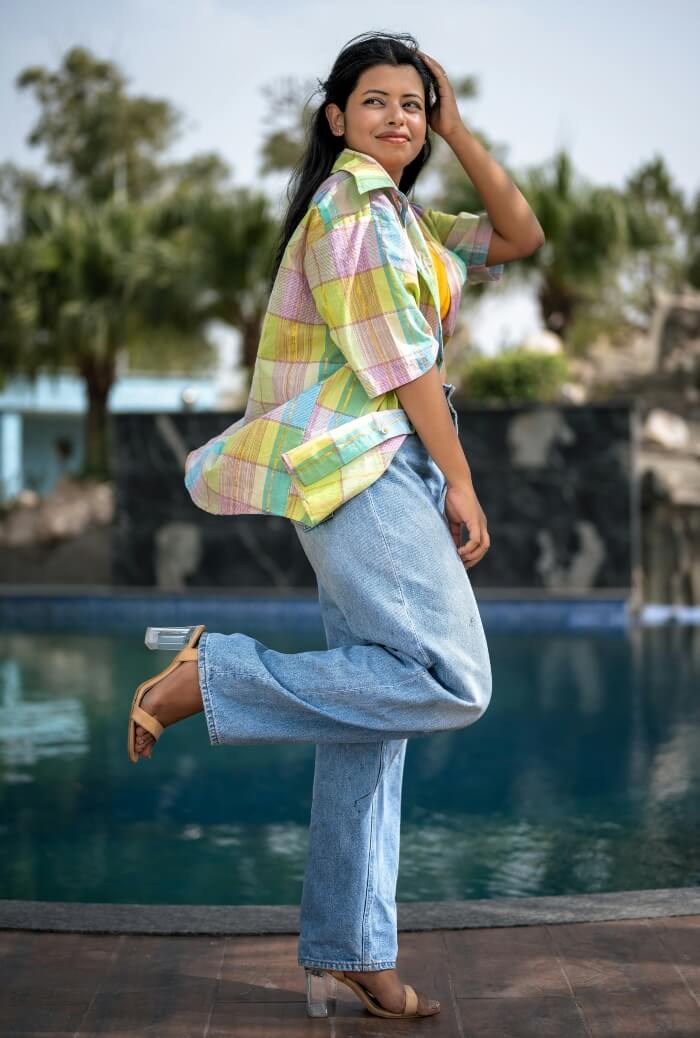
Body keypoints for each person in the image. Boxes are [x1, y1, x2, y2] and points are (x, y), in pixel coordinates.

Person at [127, 30, 545, 1021]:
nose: (398, 116)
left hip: (370, 469)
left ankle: (350, 948)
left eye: (414, 102)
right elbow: (402, 369)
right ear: (336, 118)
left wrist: (462, 128)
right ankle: (214, 674)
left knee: (374, 714)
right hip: (362, 470)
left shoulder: (405, 217)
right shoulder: (352, 212)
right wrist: (462, 480)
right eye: (376, 102)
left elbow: (520, 237)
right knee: (452, 680)